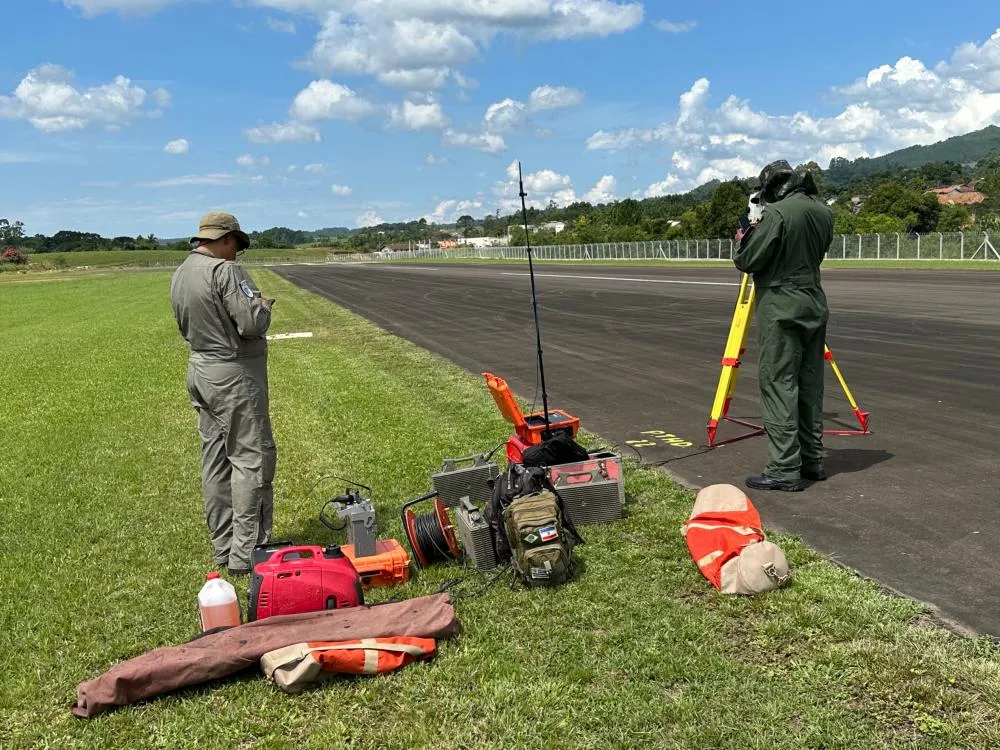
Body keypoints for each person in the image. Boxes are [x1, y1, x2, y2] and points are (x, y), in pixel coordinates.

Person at [169, 211, 277, 575]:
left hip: (200, 369)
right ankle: (248, 552)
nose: (236, 254)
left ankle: (224, 546)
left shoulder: (182, 272)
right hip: (233, 373)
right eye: (236, 246)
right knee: (251, 458)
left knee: (214, 461)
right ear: (227, 239)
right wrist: (263, 309)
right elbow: (250, 323)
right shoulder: (226, 271)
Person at [733, 161, 834, 492]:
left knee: (778, 383)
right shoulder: (823, 212)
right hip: (813, 301)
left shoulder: (777, 214)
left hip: (782, 304)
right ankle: (812, 460)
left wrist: (744, 237)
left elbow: (748, 260)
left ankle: (784, 468)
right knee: (810, 383)